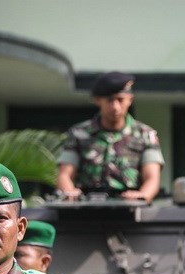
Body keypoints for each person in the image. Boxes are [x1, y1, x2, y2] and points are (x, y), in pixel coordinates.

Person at [56, 71, 165, 203]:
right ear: (97, 100)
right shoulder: (78, 133)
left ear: (130, 99)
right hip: (86, 207)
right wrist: (69, 193)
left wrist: (143, 195)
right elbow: (65, 174)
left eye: (120, 99)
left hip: (130, 207)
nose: (115, 107)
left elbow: (152, 177)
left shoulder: (145, 134)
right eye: (109, 100)